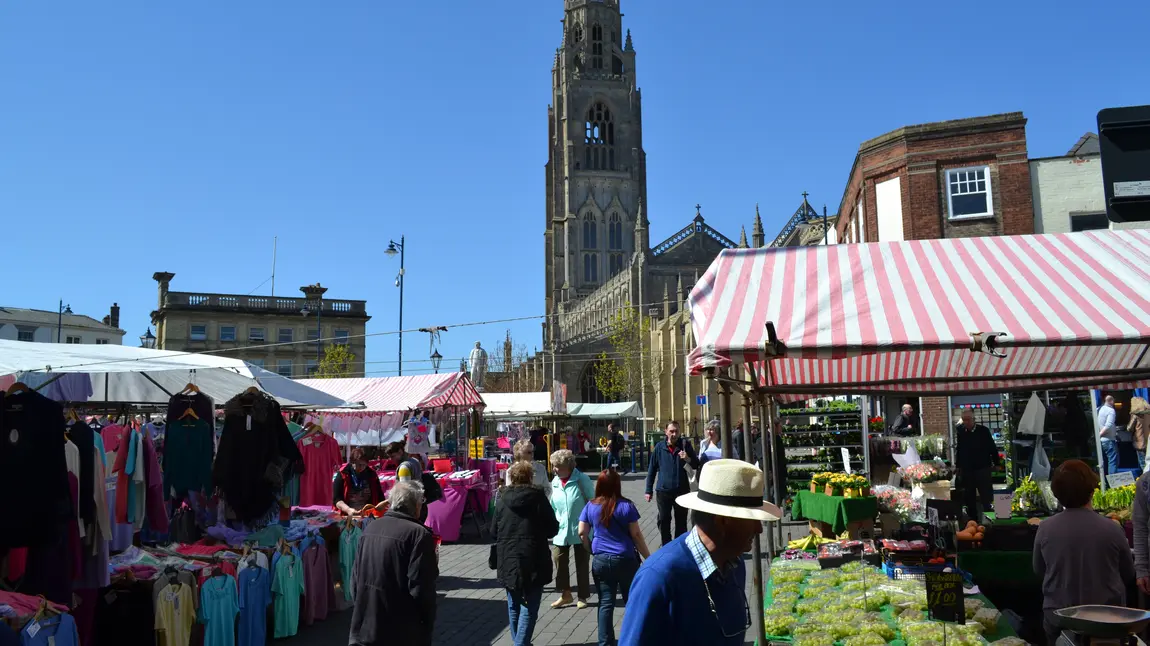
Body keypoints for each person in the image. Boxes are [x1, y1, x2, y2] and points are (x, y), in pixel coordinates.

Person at [620, 459, 781, 646]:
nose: (759, 529)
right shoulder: (659, 578)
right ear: (722, 522)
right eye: (751, 519)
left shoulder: (734, 565)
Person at [1034, 460, 1134, 645]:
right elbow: (1128, 573)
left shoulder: (1045, 528)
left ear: (1057, 493)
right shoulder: (1112, 528)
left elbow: (1039, 570)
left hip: (1058, 617)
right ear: (1091, 489)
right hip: (1106, 620)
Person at [348, 481, 438, 646]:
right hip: (400, 632)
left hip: (365, 628)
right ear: (417, 506)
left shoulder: (370, 528)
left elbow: (354, 581)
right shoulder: (419, 535)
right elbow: (421, 589)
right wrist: (427, 624)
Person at [578, 469, 651, 646]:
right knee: (631, 601)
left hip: (601, 559)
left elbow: (581, 532)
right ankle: (633, 638)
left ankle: (605, 642)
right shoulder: (627, 506)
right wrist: (648, 558)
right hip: (625, 559)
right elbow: (636, 535)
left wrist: (590, 549)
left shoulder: (591, 505)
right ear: (617, 485)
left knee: (605, 602)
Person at [493, 462, 560, 646]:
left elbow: (493, 530)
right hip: (534, 556)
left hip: (508, 557)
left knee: (514, 604)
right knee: (530, 606)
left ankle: (520, 641)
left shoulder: (501, 499)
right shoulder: (538, 498)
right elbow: (552, 527)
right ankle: (521, 643)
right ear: (530, 477)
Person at [549, 449, 595, 609]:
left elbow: (593, 502)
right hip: (560, 529)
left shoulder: (582, 479)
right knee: (558, 560)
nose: (554, 469)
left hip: (581, 529)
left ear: (569, 466)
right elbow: (552, 505)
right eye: (553, 466)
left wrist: (592, 526)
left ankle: (582, 596)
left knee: (582, 563)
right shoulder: (555, 482)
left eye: (557, 466)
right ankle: (566, 594)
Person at [645, 421, 700, 545]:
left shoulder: (685, 445)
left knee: (681, 522)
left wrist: (687, 458)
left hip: (682, 491)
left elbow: (696, 464)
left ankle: (679, 547)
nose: (674, 434)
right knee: (664, 520)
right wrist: (648, 490)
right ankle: (666, 545)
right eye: (671, 431)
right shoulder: (659, 447)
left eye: (676, 431)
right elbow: (652, 469)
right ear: (666, 432)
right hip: (663, 491)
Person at [954, 409, 998, 524]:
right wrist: (958, 466)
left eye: (968, 419)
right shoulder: (961, 431)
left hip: (982, 467)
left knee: (986, 496)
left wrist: (997, 463)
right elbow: (959, 449)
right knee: (969, 498)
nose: (966, 422)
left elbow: (992, 448)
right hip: (967, 469)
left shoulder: (983, 431)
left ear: (974, 419)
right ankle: (973, 522)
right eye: (964, 420)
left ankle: (990, 520)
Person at [333, 447, 385, 516]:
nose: (362, 468)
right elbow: (336, 499)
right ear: (352, 462)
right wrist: (348, 510)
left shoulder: (371, 474)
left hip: (368, 515)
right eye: (359, 465)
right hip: (347, 515)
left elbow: (380, 497)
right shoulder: (343, 474)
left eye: (364, 465)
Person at [1099, 395, 1120, 476]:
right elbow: (1109, 425)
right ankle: (1113, 483)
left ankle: (1105, 482)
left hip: (1102, 440)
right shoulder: (1110, 410)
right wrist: (1100, 434)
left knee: (1105, 462)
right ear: (1111, 401)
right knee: (1113, 461)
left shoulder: (1099, 409)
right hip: (1109, 439)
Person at [1130, 397, 1150, 473]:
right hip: (1148, 440)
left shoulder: (1135, 415)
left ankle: (1145, 480)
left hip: (1139, 442)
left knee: (1143, 464)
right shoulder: (1148, 413)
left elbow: (1129, 428)